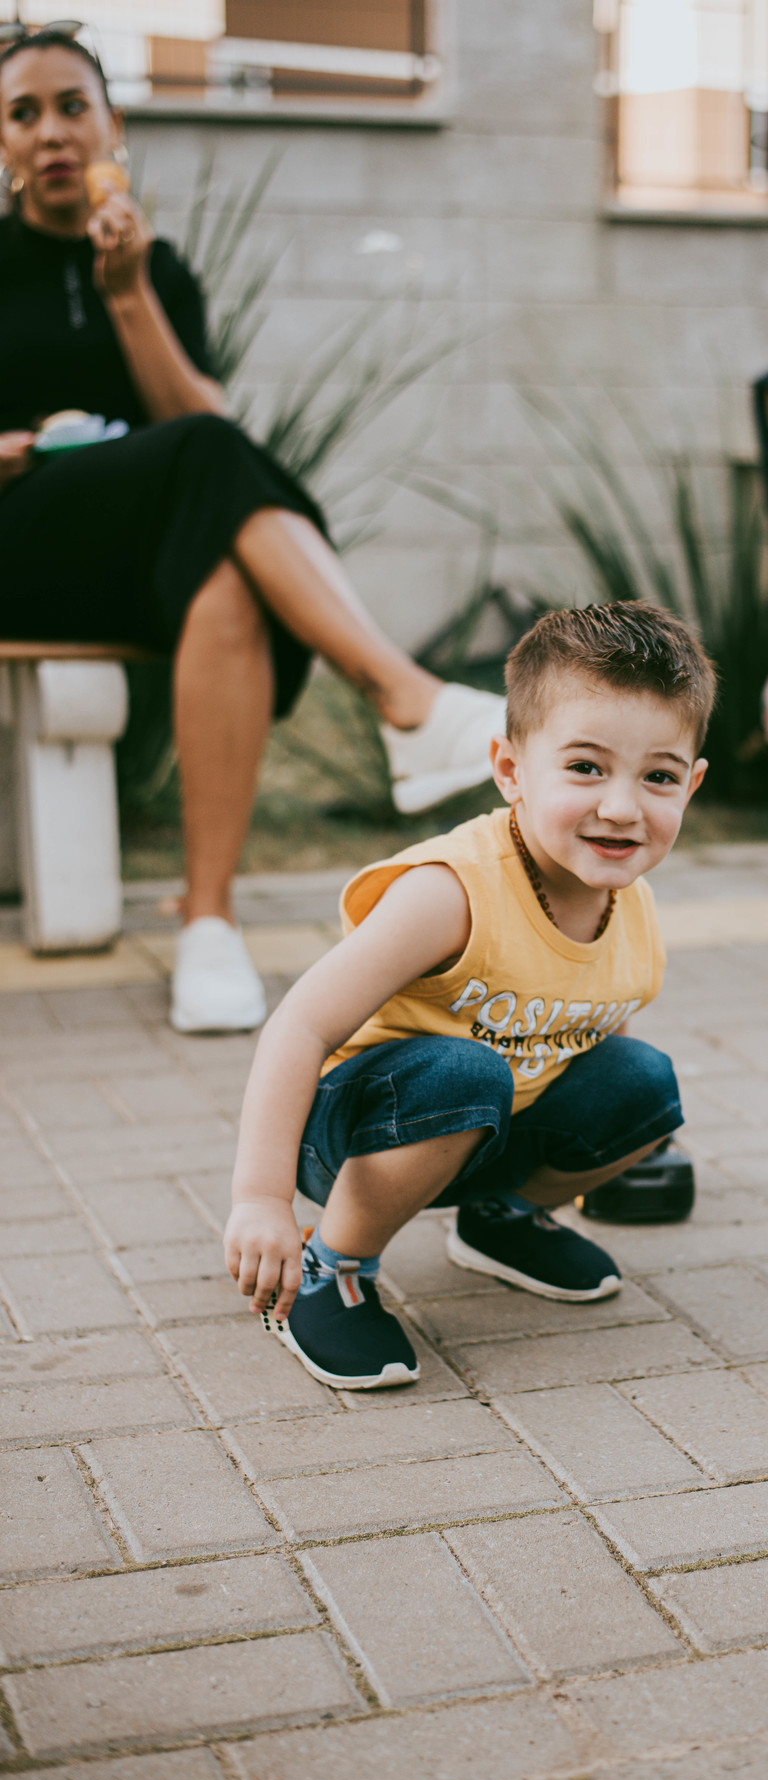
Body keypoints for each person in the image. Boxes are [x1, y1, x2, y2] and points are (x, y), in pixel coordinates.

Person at [0, 26, 504, 1034]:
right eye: (23, 113)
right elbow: (204, 441)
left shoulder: (158, 268)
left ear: (112, 126)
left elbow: (193, 422)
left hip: (127, 563)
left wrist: (129, 294)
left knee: (225, 567)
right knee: (206, 459)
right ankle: (401, 698)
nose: (51, 131)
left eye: (71, 106)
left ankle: (208, 925)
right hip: (18, 542)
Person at [224, 600, 713, 1390]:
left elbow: (587, 1033)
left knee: (643, 1082)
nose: (622, 808)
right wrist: (259, 1198)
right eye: (585, 768)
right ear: (511, 770)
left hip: (484, 1125)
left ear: (691, 785)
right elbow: (299, 1026)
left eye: (658, 776)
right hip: (352, 1131)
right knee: (467, 1071)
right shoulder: (450, 892)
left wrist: (607, 1150)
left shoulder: (631, 906)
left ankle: (502, 1219)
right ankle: (331, 1266)